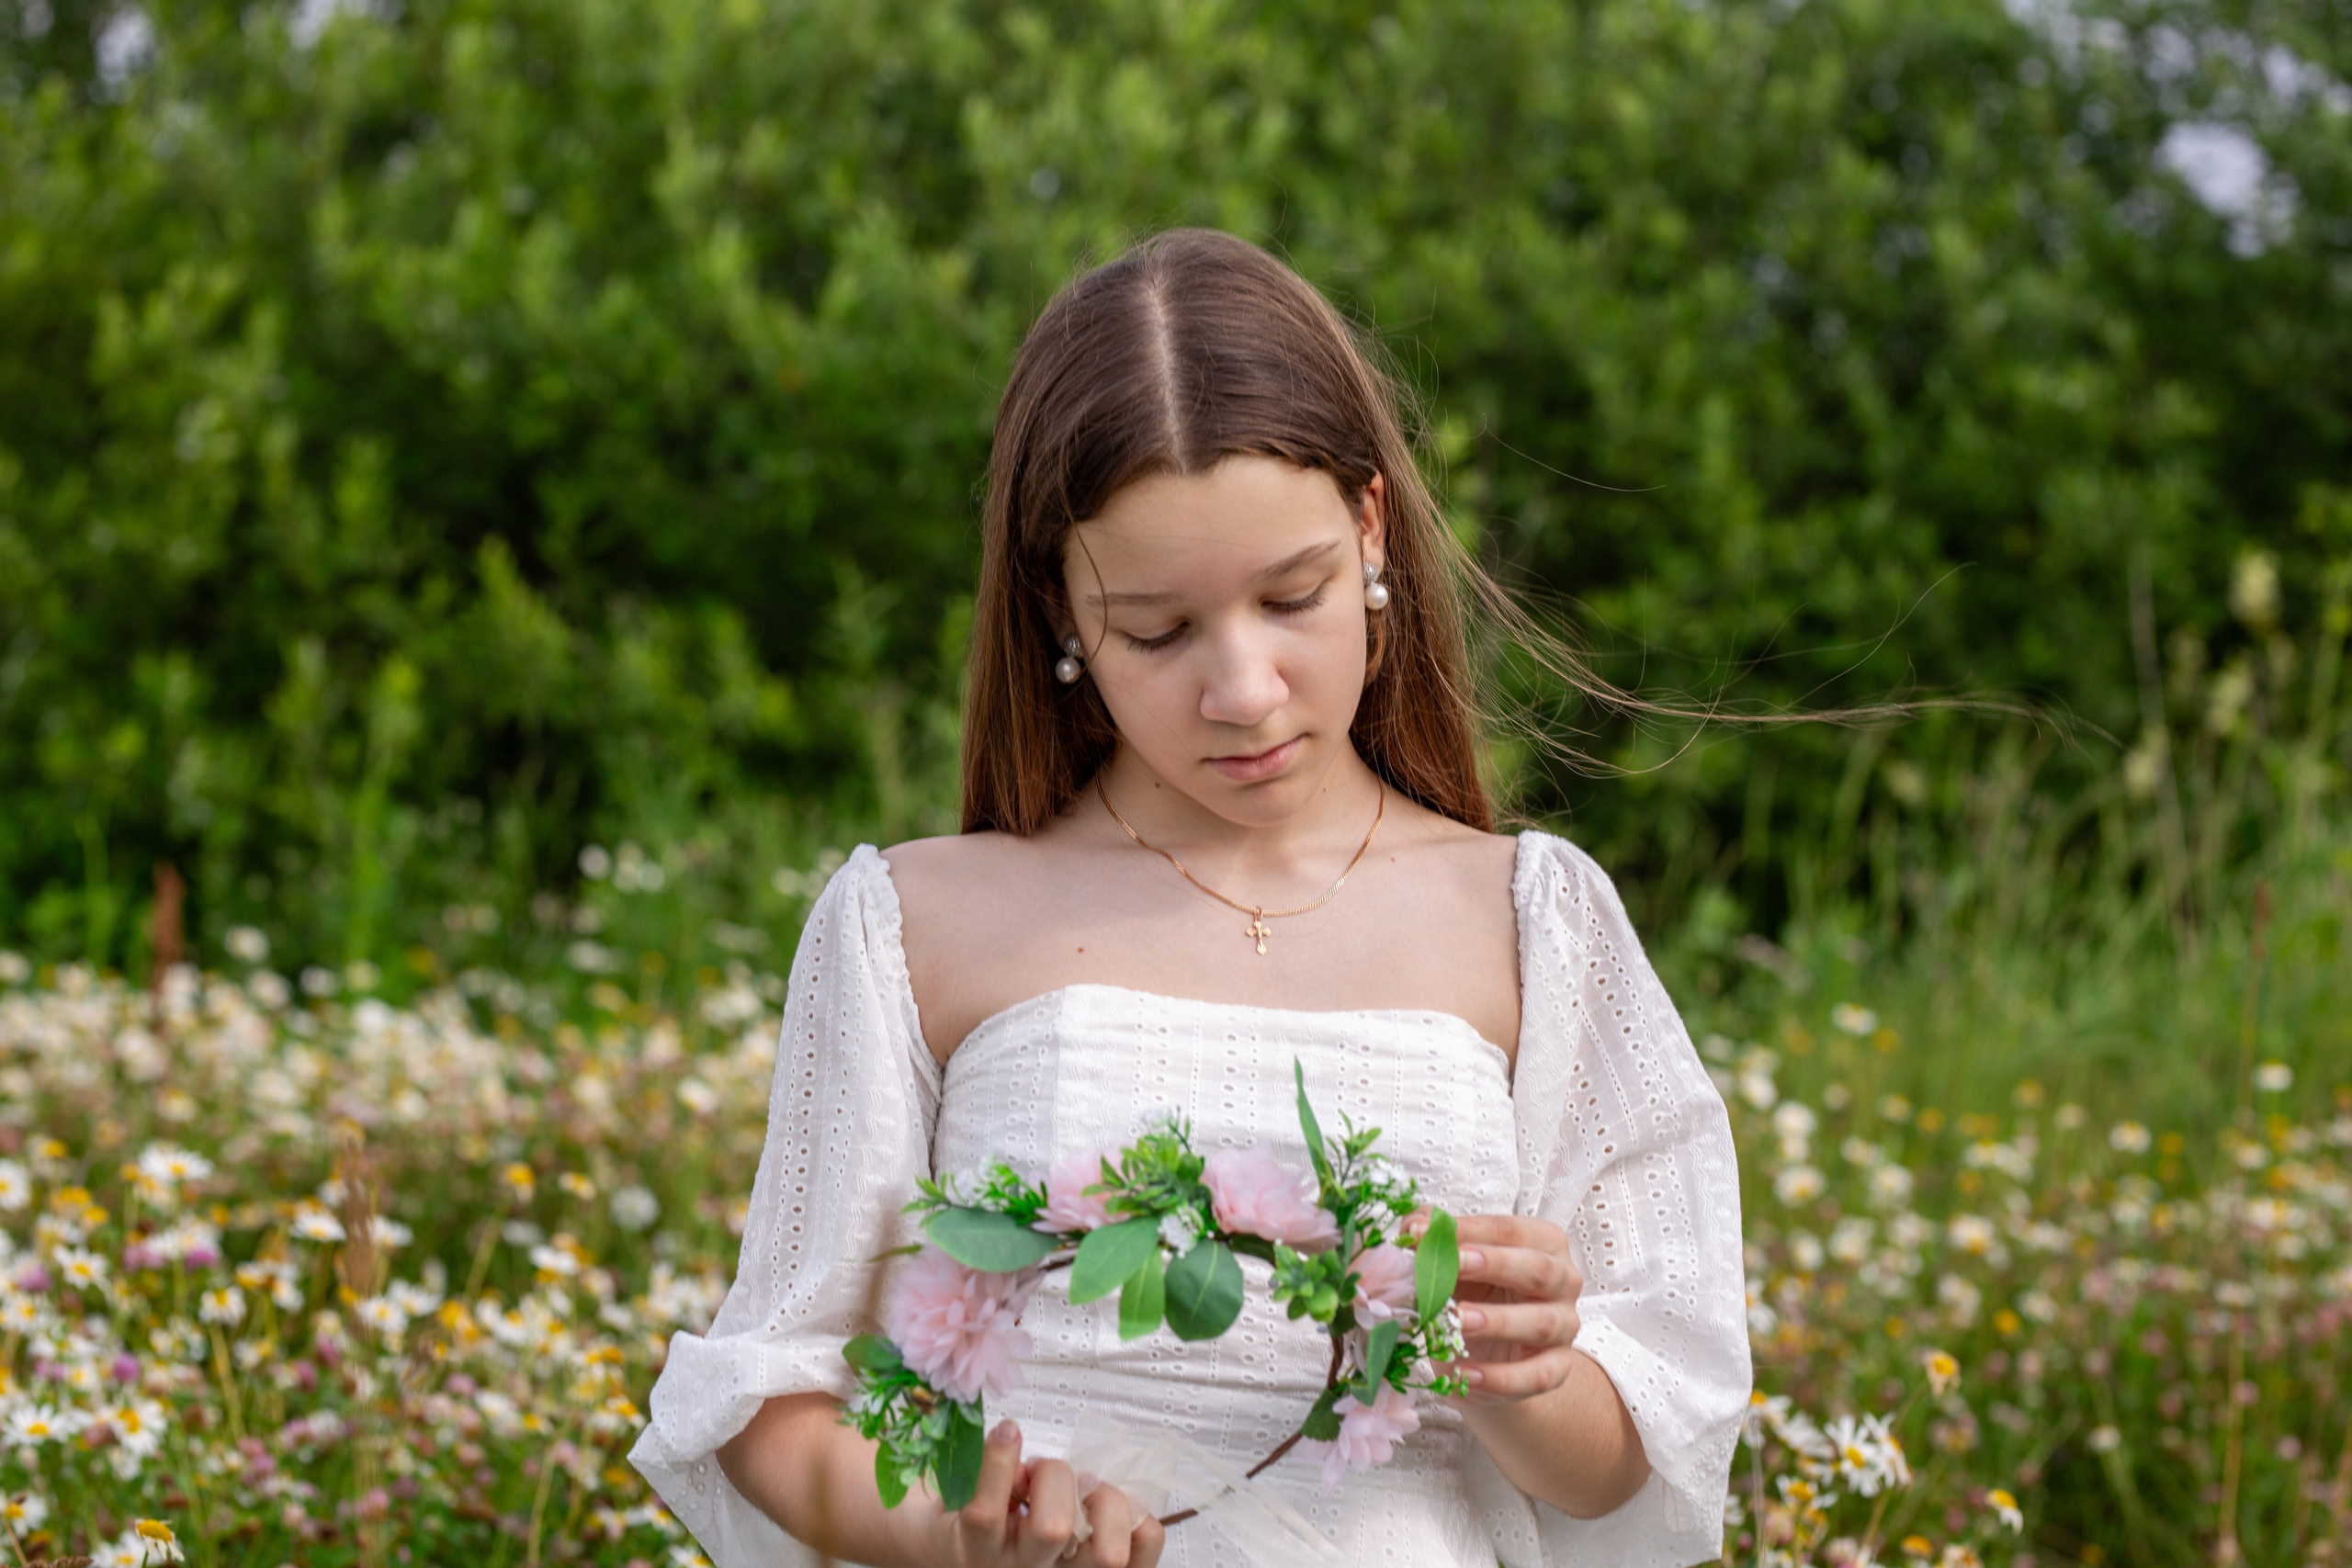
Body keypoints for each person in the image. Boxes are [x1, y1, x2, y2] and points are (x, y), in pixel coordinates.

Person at [628, 228, 1750, 1568]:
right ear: (1060, 609)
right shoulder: (913, 922)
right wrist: (959, 1527)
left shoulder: (1534, 922)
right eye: (1156, 631)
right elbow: (771, 1398)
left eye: (1294, 597)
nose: (1244, 690)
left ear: (1372, 529)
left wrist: (1525, 1372)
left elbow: (1644, 1449)